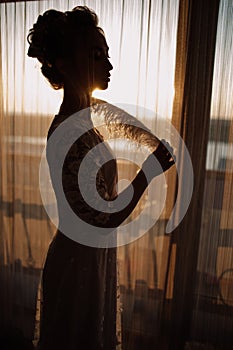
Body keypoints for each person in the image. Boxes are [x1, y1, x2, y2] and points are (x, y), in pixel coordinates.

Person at [27, 5, 175, 350]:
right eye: (96, 55)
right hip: (78, 266)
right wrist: (148, 173)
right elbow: (100, 217)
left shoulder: (84, 121)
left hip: (93, 261)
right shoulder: (68, 133)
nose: (108, 65)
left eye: (106, 55)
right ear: (62, 63)